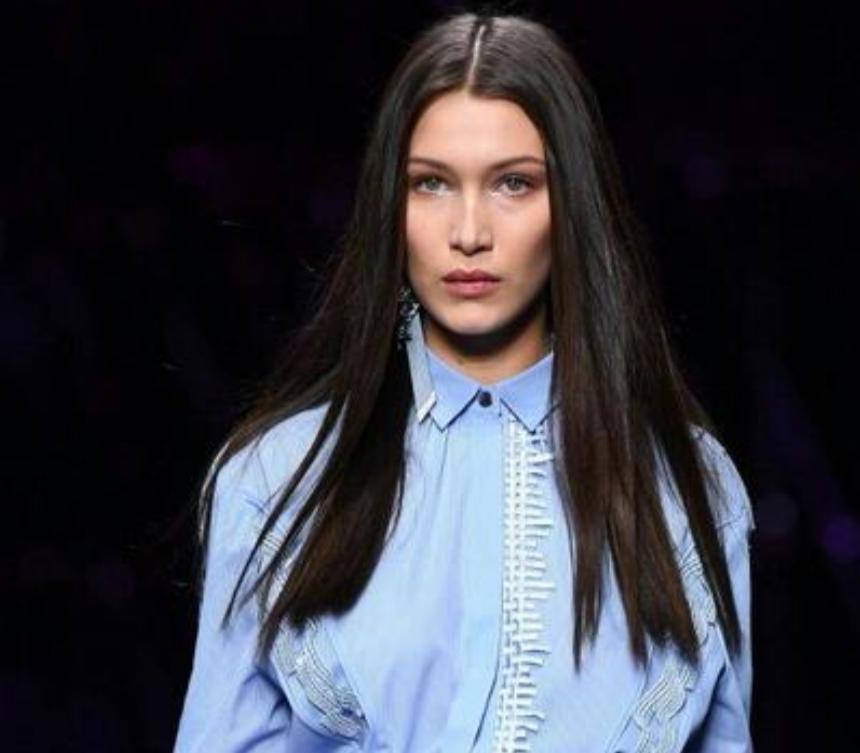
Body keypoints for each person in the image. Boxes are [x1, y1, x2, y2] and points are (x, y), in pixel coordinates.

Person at [173, 11, 756, 753]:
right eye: (431, 184)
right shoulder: (277, 479)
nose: (470, 232)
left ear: (571, 205)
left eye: (513, 183)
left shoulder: (689, 483)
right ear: (391, 207)